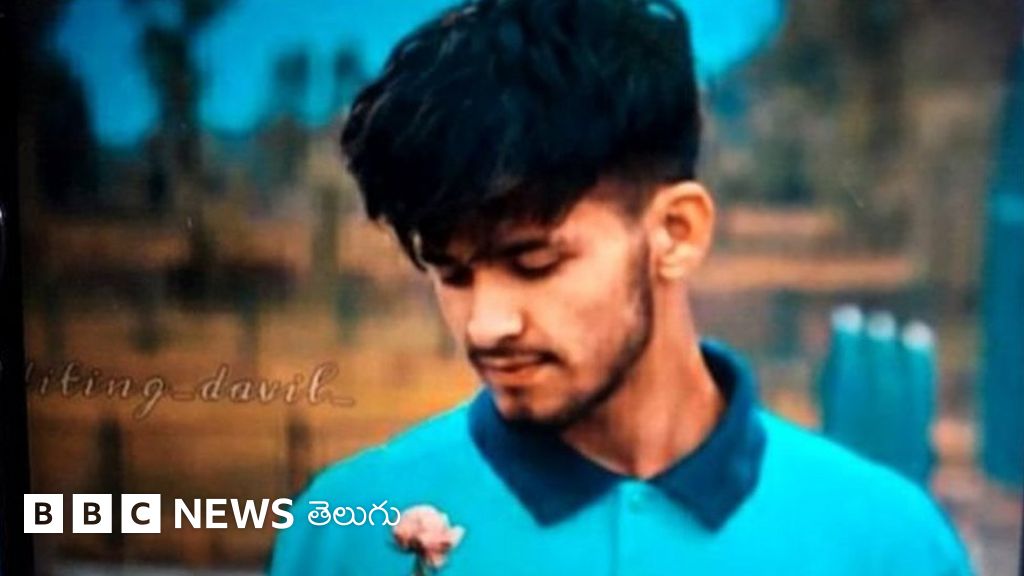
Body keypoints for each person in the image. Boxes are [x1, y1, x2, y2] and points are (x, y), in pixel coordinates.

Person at [270, 0, 973, 573]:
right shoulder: (345, 535)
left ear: (676, 233)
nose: (486, 324)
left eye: (533, 262)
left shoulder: (889, 545)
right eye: (451, 272)